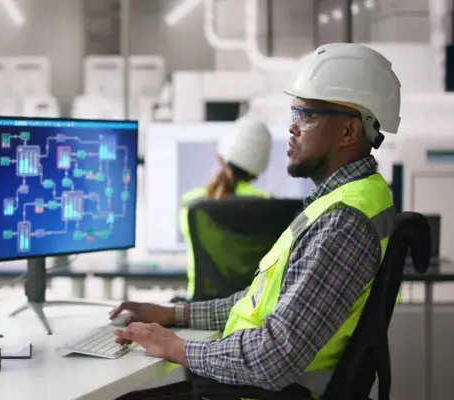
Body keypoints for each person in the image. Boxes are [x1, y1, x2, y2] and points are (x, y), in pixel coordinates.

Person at [111, 42, 401, 399]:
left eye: (306, 115)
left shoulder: (344, 221)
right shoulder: (339, 203)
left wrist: (174, 347)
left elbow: (274, 357)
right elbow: (255, 303)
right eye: (294, 113)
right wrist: (175, 314)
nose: (293, 128)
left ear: (349, 132)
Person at [179, 116, 272, 298]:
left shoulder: (191, 205)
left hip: (200, 309)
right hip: (249, 310)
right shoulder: (268, 207)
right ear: (259, 169)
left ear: (220, 159)